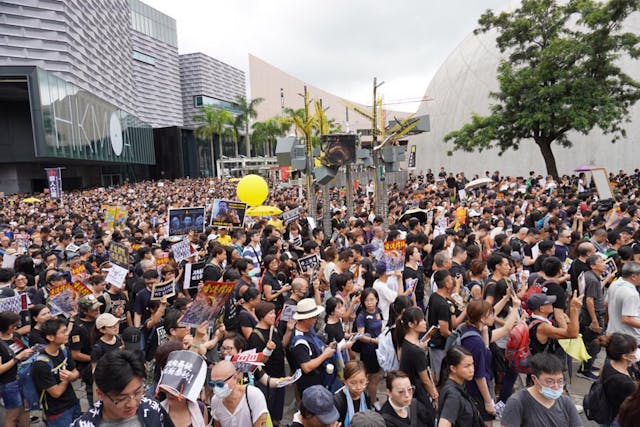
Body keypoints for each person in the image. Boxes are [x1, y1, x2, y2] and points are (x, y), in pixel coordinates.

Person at [72, 349, 175, 426]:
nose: (132, 404)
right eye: (121, 399)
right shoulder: (84, 424)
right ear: (100, 394)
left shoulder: (152, 408)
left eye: (138, 392)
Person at [500, 352, 581, 427]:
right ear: (534, 379)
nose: (556, 387)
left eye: (560, 381)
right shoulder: (517, 402)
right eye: (550, 381)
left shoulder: (566, 402)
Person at [247, 301, 294, 426]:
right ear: (262, 316)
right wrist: (267, 350)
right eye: (271, 313)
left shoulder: (274, 329)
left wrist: (289, 330)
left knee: (278, 408)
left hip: (279, 374)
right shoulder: (255, 336)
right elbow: (258, 363)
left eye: (274, 313)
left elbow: (282, 344)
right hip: (266, 379)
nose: (274, 316)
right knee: (267, 410)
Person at [32, 318, 81, 427]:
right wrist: (66, 379)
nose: (67, 334)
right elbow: (56, 393)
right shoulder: (41, 365)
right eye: (63, 332)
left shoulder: (64, 350)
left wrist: (72, 375)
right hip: (57, 412)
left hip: (73, 402)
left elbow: (76, 370)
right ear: (50, 337)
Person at [397, 306, 437, 423]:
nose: (425, 323)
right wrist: (434, 394)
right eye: (421, 321)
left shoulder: (405, 341)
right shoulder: (416, 351)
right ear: (411, 324)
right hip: (417, 393)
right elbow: (425, 379)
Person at [458, 300, 495, 424]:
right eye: (491, 314)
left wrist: (484, 331)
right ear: (482, 318)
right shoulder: (475, 341)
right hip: (476, 392)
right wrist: (488, 401)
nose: (493, 316)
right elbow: (479, 375)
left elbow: (485, 350)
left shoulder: (467, 330)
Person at [290, 298, 337, 394]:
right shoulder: (300, 342)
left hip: (319, 380)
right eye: (314, 317)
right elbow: (306, 367)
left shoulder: (309, 328)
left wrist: (326, 348)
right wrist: (325, 355)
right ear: (306, 318)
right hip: (310, 386)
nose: (316, 319)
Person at [427, 270, 466, 383]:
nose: (452, 281)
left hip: (434, 342)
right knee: (440, 375)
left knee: (436, 372)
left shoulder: (435, 297)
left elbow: (453, 323)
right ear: (446, 284)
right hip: (440, 345)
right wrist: (456, 339)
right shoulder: (443, 304)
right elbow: (444, 331)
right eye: (450, 280)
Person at [594, 333, 638, 426]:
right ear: (624, 356)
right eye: (634, 350)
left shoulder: (609, 364)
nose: (637, 352)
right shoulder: (624, 382)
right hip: (617, 419)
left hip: (608, 413)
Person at [209, 360, 269, 427]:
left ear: (234, 378)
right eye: (212, 384)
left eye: (220, 384)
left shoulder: (253, 395)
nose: (215, 388)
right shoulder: (215, 401)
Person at [0, 311, 34, 427]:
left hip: (23, 378)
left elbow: (24, 350)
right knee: (12, 416)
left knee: (25, 410)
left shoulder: (15, 336)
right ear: (8, 326)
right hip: (9, 383)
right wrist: (17, 358)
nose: (17, 328)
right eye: (14, 325)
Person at [437, 346, 484, 427]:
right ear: (453, 368)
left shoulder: (459, 386)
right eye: (467, 366)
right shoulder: (453, 395)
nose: (472, 369)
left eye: (472, 364)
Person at [578, 255, 609, 378]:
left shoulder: (590, 276)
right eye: (600, 262)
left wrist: (607, 279)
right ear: (593, 266)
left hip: (589, 314)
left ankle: (588, 365)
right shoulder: (592, 280)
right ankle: (584, 370)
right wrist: (594, 320)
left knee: (590, 342)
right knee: (594, 343)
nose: (604, 263)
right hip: (593, 315)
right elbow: (589, 300)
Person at [354, 288, 383, 406]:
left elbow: (380, 326)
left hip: (379, 348)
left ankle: (369, 397)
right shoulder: (361, 316)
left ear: (377, 299)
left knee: (375, 376)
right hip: (368, 350)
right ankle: (373, 401)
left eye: (372, 299)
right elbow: (360, 336)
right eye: (367, 300)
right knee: (372, 377)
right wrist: (373, 340)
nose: (370, 303)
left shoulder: (378, 311)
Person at [606, 262, 640, 342]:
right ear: (633, 277)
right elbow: (627, 319)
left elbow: (606, 304)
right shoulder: (631, 294)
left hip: (612, 332)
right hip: (628, 337)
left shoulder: (614, 284)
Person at [333, 360, 372, 426]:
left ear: (367, 379)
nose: (358, 387)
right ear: (345, 381)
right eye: (353, 383)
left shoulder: (366, 395)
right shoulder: (338, 401)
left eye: (362, 382)